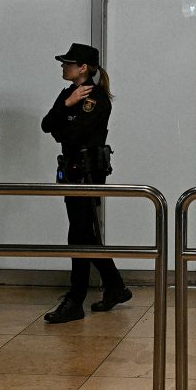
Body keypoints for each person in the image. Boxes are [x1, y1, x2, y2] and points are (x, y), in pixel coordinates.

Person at [40, 43, 131, 323]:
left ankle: (76, 299)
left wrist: (63, 119)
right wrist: (67, 106)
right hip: (72, 169)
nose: (63, 67)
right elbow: (47, 125)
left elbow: (71, 134)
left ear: (83, 68)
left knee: (79, 233)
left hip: (87, 171)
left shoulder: (95, 98)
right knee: (83, 233)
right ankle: (114, 286)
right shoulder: (69, 94)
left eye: (69, 63)